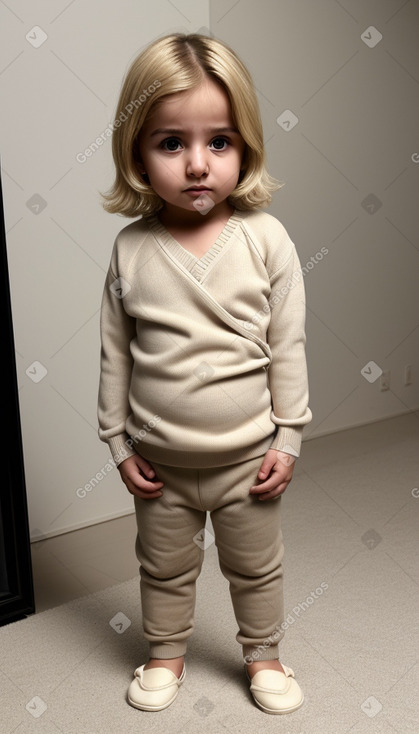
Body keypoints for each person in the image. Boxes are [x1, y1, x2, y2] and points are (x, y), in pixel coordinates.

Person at [97, 32, 312, 715]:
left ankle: (264, 657)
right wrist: (117, 443)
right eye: (170, 143)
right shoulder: (131, 249)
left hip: (247, 457)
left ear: (244, 145)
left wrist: (287, 437)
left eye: (218, 141)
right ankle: (164, 655)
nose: (197, 165)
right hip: (159, 461)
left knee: (255, 567)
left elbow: (287, 344)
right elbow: (115, 352)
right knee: (163, 567)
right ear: (136, 150)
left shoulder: (265, 240)